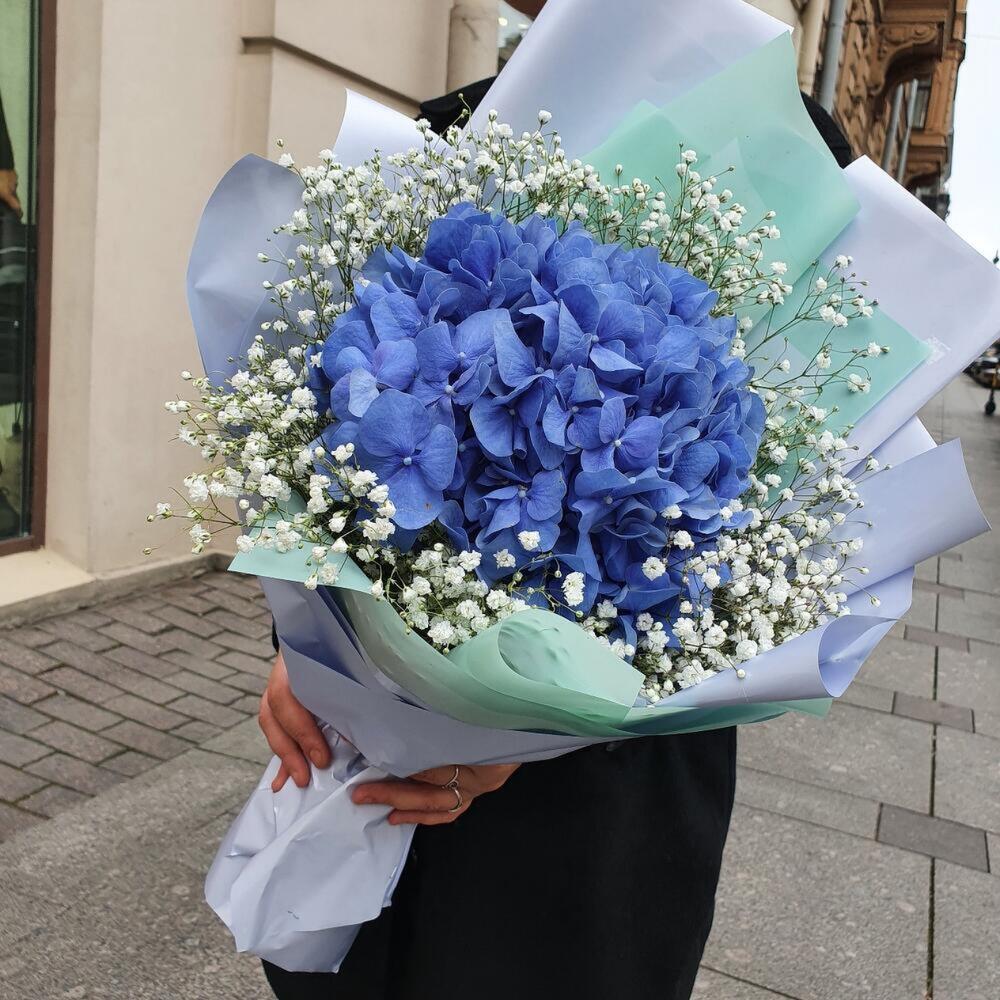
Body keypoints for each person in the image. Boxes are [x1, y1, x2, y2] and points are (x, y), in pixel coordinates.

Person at [257, 76, 855, 1000]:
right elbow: (332, 433)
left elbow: (793, 497)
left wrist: (527, 730)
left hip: (604, 812)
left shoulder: (790, 135)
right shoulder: (460, 120)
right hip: (372, 733)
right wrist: (309, 641)